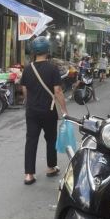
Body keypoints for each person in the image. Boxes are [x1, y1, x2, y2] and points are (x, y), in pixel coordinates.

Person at [21, 36, 69, 185]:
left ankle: (29, 174)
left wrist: (30, 101)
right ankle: (50, 167)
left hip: (32, 111)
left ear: (34, 52)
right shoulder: (52, 68)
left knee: (31, 140)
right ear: (48, 51)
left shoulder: (28, 69)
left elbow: (24, 89)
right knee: (51, 139)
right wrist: (64, 109)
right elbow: (58, 91)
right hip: (49, 111)